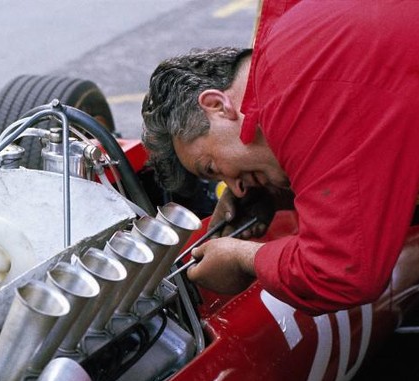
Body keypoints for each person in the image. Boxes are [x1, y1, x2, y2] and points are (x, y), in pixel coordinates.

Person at [141, 0, 419, 316]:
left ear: (218, 106)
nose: (238, 189)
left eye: (213, 168)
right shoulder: (299, 47)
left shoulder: (297, 89)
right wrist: (281, 196)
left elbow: (344, 273)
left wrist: (242, 258)